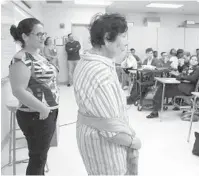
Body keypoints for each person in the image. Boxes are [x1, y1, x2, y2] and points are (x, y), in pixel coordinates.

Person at [73, 13, 141, 175]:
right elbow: (111, 129)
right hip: (104, 145)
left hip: (92, 136)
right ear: (107, 38)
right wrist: (133, 142)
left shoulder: (88, 62)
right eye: (123, 36)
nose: (126, 41)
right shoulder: (99, 71)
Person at [9, 18, 59, 175]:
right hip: (35, 115)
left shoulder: (38, 55)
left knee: (40, 157)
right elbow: (18, 90)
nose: (43, 37)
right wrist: (42, 108)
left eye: (43, 33)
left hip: (46, 113)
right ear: (25, 37)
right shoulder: (20, 58)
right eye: (38, 34)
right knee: (37, 159)